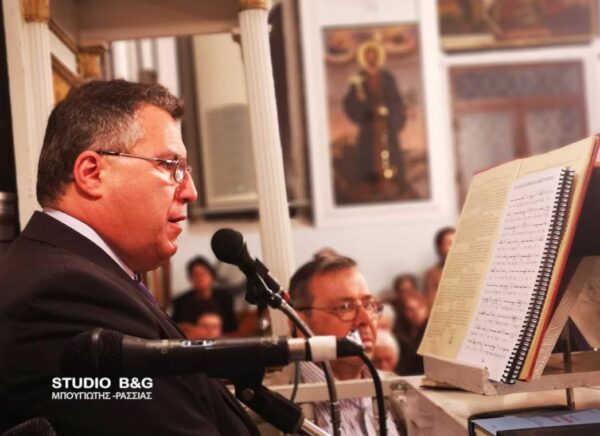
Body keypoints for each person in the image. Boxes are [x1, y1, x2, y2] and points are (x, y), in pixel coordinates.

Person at [0, 80, 258, 436]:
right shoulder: (65, 293)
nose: (191, 191)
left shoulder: (83, 274)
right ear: (92, 173)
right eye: (171, 165)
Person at [289, 255, 399, 436]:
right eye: (344, 307)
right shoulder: (276, 402)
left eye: (368, 305)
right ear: (299, 325)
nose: (365, 319)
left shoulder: (395, 389)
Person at [343, 39, 407, 194]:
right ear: (365, 57)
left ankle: (393, 183)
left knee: (390, 151)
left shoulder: (387, 77)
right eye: (368, 55)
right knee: (367, 153)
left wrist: (389, 111)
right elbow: (349, 102)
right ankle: (369, 186)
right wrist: (362, 107)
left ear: (378, 56)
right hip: (369, 125)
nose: (371, 57)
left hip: (386, 125)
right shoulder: (359, 78)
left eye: (374, 54)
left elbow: (396, 100)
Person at [172, 255, 237, 334]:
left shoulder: (225, 298)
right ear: (190, 278)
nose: (200, 278)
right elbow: (176, 329)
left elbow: (232, 329)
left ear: (212, 276)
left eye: (203, 273)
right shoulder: (180, 301)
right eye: (196, 275)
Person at [395, 292, 429, 376]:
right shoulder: (400, 337)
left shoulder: (431, 333)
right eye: (410, 310)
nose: (416, 313)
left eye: (420, 307)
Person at [423, 226, 455, 308]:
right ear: (439, 247)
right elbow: (430, 301)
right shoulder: (432, 273)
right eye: (450, 243)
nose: (454, 247)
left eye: (456, 243)